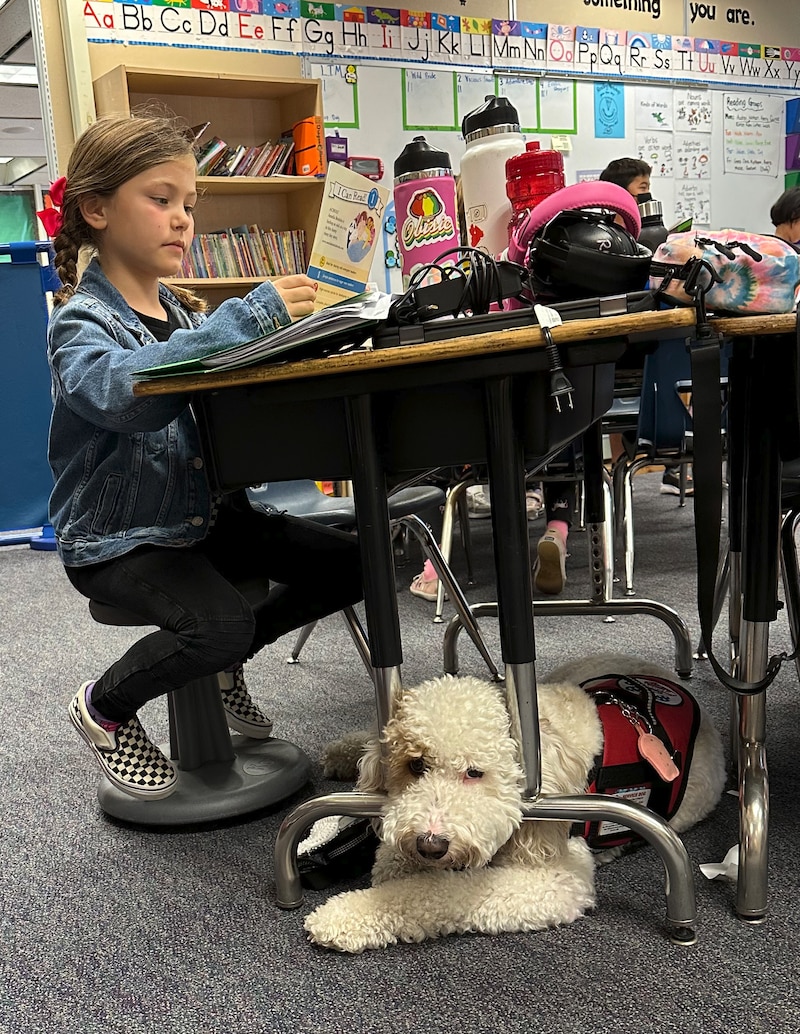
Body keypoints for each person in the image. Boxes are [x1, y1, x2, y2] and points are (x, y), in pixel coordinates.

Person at [47, 111, 363, 801]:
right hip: (120, 542)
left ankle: (227, 666)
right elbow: (127, 396)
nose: (182, 219)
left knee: (357, 563)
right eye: (160, 200)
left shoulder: (187, 316)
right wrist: (245, 321)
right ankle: (105, 707)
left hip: (206, 519)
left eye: (189, 204)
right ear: (96, 208)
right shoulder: (80, 323)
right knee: (222, 624)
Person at [600, 156, 691, 498]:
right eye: (642, 189)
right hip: (625, 356)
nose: (647, 198)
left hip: (651, 355)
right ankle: (624, 472)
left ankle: (668, 464)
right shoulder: (605, 245)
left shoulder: (661, 242)